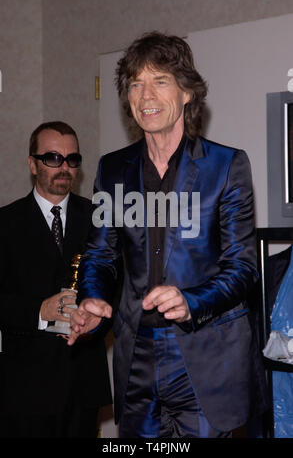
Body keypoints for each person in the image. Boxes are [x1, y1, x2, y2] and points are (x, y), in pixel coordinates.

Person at [68, 32, 268, 438]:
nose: (146, 96)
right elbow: (100, 255)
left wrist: (190, 300)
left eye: (160, 80)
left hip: (205, 355)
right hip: (135, 353)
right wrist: (92, 296)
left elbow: (243, 268)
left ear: (187, 92)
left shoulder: (227, 166)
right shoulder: (112, 170)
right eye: (136, 84)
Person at [0, 121, 112, 438]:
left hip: (83, 384)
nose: (64, 167)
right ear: (32, 164)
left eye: (72, 159)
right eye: (52, 158)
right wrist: (39, 311)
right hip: (23, 391)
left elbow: (116, 291)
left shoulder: (100, 220)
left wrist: (98, 318)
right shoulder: (5, 224)